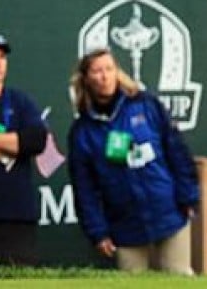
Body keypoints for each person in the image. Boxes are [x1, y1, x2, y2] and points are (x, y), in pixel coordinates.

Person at [67, 48, 199, 274]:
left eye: (109, 69)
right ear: (85, 79)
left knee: (179, 278)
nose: (105, 76)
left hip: (168, 214)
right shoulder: (82, 132)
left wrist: (188, 196)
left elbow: (177, 151)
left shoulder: (146, 105)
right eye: (97, 71)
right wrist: (98, 232)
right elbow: (84, 190)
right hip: (126, 227)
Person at [0, 33, 47, 266]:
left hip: (15, 217)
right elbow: (22, 142)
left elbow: (36, 141)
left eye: (2, 57)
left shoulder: (19, 101)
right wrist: (11, 143)